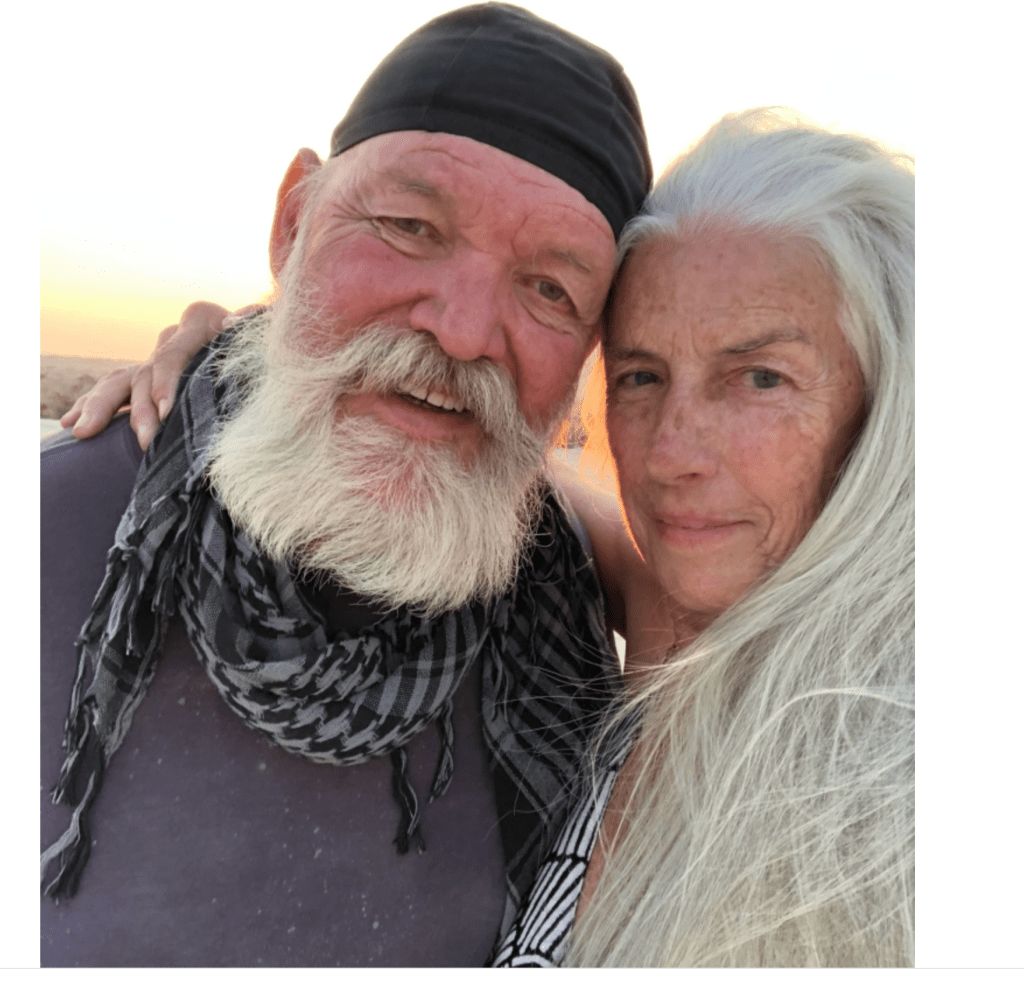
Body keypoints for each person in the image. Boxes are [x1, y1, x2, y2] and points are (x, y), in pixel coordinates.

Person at [105, 108, 914, 967]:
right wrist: (273, 361)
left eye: (761, 378)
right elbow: (506, 476)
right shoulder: (679, 624)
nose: (671, 455)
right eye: (641, 376)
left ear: (891, 402)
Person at [40, 3, 651, 967]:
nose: (462, 330)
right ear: (294, 221)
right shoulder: (42, 535)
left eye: (550, 289)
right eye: (409, 226)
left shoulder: (568, 617)